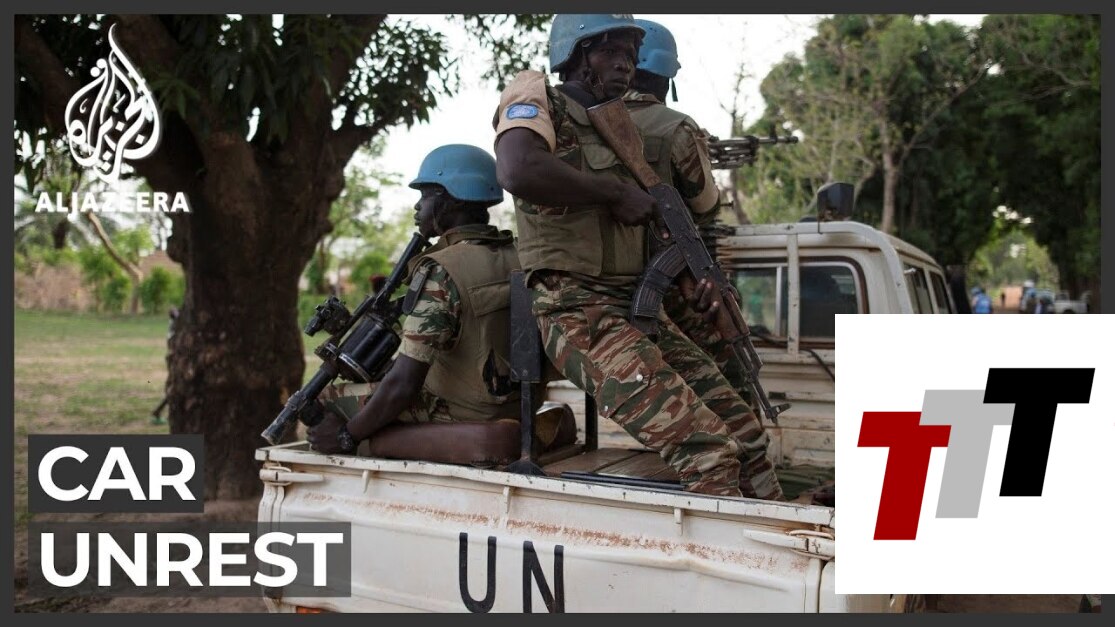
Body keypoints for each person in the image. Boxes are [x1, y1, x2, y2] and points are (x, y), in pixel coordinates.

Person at [492, 14, 782, 500]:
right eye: (611, 51)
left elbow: (645, 223)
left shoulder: (619, 127)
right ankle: (730, 546)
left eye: (630, 53)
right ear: (576, 55)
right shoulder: (538, 96)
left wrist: (688, 279)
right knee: (708, 451)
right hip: (577, 310)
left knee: (747, 435)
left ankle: (778, 529)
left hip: (636, 309)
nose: (625, 64)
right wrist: (611, 192)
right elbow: (518, 169)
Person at [624, 18, 781, 495]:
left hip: (613, 290)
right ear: (667, 75)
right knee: (732, 392)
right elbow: (706, 205)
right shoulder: (674, 128)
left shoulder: (583, 125)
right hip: (675, 292)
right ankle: (755, 491)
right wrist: (698, 152)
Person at [308, 145, 521, 454]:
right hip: (513, 403)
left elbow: (404, 384)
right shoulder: (517, 254)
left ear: (452, 199)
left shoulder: (443, 270)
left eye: (426, 195)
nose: (418, 206)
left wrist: (346, 436)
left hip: (463, 410)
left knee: (326, 399)